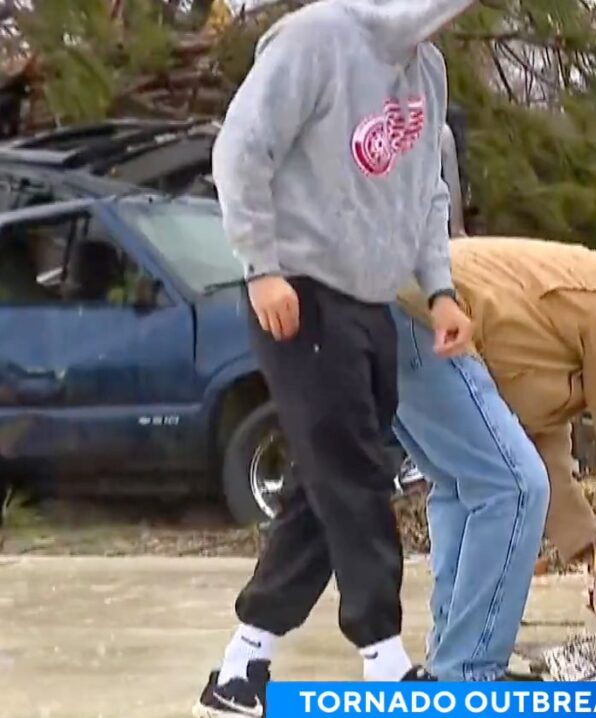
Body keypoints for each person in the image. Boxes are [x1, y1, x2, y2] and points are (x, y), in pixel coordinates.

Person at [193, 1, 476, 716]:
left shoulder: (427, 70)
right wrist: (261, 266)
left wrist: (440, 289)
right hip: (299, 291)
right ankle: (384, 661)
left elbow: (425, 192)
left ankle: (240, 668)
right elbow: (240, 148)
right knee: (353, 474)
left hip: (371, 300)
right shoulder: (316, 38)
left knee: (323, 489)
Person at [391, 237, 596, 681]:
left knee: (466, 488)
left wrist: (590, 548)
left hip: (391, 310)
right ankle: (469, 671)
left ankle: (448, 662)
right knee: (512, 488)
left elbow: (541, 454)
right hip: (433, 314)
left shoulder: (547, 340)